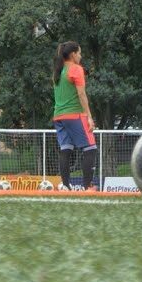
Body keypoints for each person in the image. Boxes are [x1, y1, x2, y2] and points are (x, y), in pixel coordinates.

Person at [52, 41, 97, 191]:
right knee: (90, 148)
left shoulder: (58, 71)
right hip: (75, 115)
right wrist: (89, 117)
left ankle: (65, 186)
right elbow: (81, 94)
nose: (80, 56)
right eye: (79, 53)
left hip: (59, 116)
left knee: (66, 150)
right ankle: (87, 186)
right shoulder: (76, 69)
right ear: (73, 54)